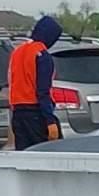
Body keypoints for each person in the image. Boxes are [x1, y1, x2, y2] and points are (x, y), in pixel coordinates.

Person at [6, 16, 64, 150]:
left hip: (18, 114)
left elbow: (11, 81)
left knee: (24, 156)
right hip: (36, 113)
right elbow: (43, 91)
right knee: (45, 154)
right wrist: (50, 121)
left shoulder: (17, 52)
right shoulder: (42, 55)